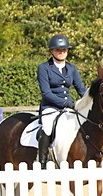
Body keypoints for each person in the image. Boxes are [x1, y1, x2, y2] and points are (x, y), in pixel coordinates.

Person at [36, 34, 86, 167]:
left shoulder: (71, 68)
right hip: (50, 106)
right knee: (47, 127)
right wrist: (65, 103)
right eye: (58, 50)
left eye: (64, 49)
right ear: (52, 51)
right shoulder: (44, 68)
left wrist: (90, 100)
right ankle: (42, 161)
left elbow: (81, 89)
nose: (62, 52)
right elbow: (46, 93)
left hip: (69, 106)